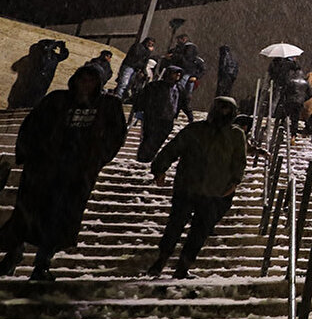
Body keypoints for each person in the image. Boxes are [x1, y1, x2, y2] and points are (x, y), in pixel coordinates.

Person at [0, 65, 127, 282]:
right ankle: (13, 255)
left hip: (75, 175)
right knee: (26, 215)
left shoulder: (108, 105)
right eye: (82, 79)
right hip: (43, 169)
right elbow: (32, 125)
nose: (85, 85)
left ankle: (42, 264)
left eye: (91, 81)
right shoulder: (57, 100)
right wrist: (26, 153)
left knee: (57, 220)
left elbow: (116, 136)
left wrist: (96, 160)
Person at [146, 97, 246, 279]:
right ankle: (161, 259)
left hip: (214, 191)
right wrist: (160, 168)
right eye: (221, 108)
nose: (223, 113)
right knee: (175, 225)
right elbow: (173, 149)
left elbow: (239, 161)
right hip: (187, 187)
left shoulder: (236, 135)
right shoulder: (195, 130)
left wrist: (235, 181)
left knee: (200, 231)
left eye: (227, 110)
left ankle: (183, 266)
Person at [136, 66, 185, 162]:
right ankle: (143, 157)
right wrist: (140, 110)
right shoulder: (155, 86)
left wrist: (189, 115)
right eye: (175, 73)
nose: (178, 76)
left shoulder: (179, 89)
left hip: (168, 118)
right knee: (149, 137)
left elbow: (184, 103)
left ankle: (149, 156)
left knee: (160, 139)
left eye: (179, 74)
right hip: (154, 117)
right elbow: (142, 98)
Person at [9, 39, 70, 108]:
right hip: (36, 89)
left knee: (18, 104)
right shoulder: (52, 58)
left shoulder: (29, 58)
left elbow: (14, 68)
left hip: (26, 90)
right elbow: (63, 55)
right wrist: (62, 48)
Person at [278, 62, 312, 138]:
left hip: (290, 101)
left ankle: (282, 129)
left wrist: (286, 98)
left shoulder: (291, 81)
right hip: (299, 103)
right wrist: (303, 99)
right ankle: (294, 133)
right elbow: (310, 94)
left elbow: (285, 91)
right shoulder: (306, 83)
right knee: (295, 118)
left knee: (286, 115)